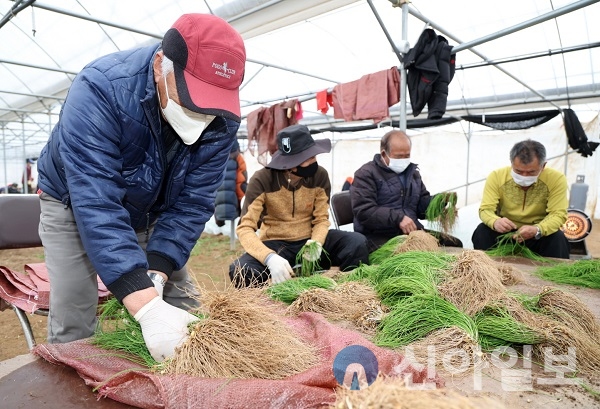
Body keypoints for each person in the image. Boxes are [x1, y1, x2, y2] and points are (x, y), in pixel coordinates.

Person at [35, 14, 246, 362]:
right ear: (162, 64)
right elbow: (97, 203)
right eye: (190, 98)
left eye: (210, 106)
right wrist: (145, 307)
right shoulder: (101, 88)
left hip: (152, 207)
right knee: (75, 308)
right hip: (73, 200)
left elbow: (193, 201)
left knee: (185, 307)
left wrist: (159, 269)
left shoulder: (222, 118)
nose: (201, 113)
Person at [229, 124, 370, 287]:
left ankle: (351, 293)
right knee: (241, 269)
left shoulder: (320, 176)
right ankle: (266, 308)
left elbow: (321, 219)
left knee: (356, 243)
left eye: (313, 156)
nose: (314, 161)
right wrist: (269, 258)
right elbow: (245, 228)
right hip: (276, 245)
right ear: (291, 163)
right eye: (308, 158)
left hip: (310, 242)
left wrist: (316, 242)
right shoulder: (262, 180)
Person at [351, 129, 462, 252]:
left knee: (455, 243)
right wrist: (398, 218)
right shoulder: (366, 174)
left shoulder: (413, 174)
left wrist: (439, 202)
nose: (404, 160)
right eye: (399, 157)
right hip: (379, 236)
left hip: (412, 233)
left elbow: (420, 209)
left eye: (407, 156)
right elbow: (364, 211)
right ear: (384, 154)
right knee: (415, 254)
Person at [471, 139, 570, 258]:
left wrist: (538, 229)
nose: (524, 177)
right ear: (511, 163)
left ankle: (552, 275)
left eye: (531, 172)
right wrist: (495, 221)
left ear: (543, 166)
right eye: (518, 171)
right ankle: (486, 272)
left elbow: (558, 213)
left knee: (558, 238)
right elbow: (485, 209)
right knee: (482, 231)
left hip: (537, 234)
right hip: (505, 233)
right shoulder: (497, 176)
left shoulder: (556, 179)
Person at [214, 139, 248, 227]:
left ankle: (220, 219)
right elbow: (242, 180)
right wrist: (243, 204)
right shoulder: (237, 156)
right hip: (234, 200)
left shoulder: (214, 156)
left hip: (218, 199)